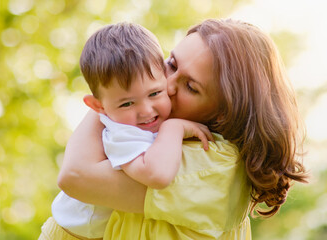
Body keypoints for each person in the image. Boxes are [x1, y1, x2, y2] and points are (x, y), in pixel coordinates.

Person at [57, 19, 308, 239]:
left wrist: (116, 98)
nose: (166, 84)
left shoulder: (214, 164)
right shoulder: (150, 124)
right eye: (172, 64)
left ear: (224, 112)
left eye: (191, 86)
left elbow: (74, 176)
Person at [39, 22, 211, 240]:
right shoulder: (123, 133)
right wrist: (174, 128)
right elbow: (157, 176)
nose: (146, 111)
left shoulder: (137, 121)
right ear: (98, 107)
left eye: (155, 93)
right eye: (127, 104)